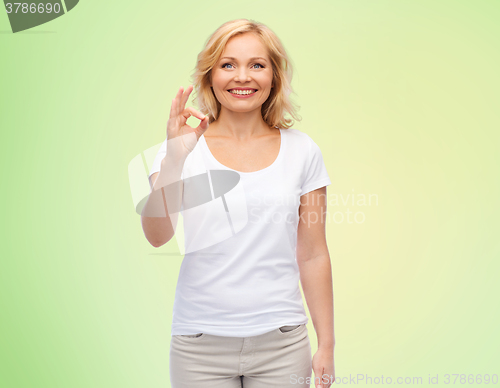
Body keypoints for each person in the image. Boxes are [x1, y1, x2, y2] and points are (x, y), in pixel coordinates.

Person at [141, 19, 335, 388]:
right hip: (198, 345)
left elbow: (313, 253)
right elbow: (156, 235)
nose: (242, 76)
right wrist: (176, 159)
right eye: (228, 64)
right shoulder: (179, 148)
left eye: (256, 65)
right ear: (210, 76)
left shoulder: (303, 151)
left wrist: (327, 343)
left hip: (282, 342)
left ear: (274, 77)